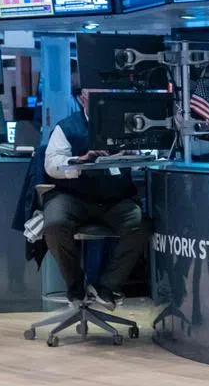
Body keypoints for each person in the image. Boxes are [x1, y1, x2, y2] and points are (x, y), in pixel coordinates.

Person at [42, 76, 150, 309]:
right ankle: (75, 285)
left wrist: (131, 156)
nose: (103, 102)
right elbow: (51, 165)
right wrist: (80, 160)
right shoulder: (67, 127)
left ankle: (107, 287)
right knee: (54, 224)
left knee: (140, 225)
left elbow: (146, 156)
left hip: (115, 199)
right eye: (96, 97)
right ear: (83, 99)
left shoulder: (126, 123)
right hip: (73, 196)